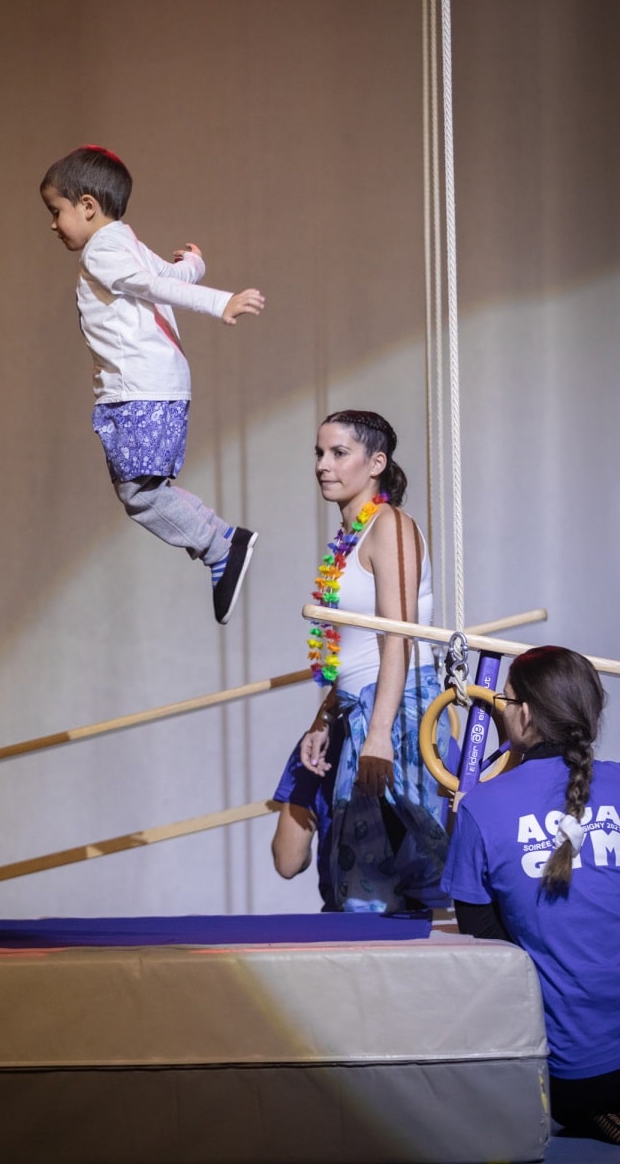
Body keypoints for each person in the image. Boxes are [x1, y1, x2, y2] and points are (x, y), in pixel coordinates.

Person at [40, 144, 265, 624]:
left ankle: (219, 547)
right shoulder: (126, 243)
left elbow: (156, 285)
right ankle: (224, 540)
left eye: (56, 211)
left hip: (139, 389)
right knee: (148, 486)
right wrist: (196, 265)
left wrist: (219, 302)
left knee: (140, 493)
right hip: (158, 386)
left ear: (87, 206)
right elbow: (169, 273)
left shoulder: (103, 251)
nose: (53, 225)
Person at [441, 645, 620, 1145]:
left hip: (573, 1077)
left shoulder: (481, 807)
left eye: (505, 700)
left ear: (524, 713)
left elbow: (489, 949)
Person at [272, 410, 449, 912]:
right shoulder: (349, 539)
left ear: (376, 463)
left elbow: (399, 634)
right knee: (361, 877)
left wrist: (379, 733)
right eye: (319, 453)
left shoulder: (390, 524)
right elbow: (354, 652)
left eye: (338, 453)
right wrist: (323, 721)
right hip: (357, 711)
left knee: (415, 865)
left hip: (397, 712)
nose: (323, 465)